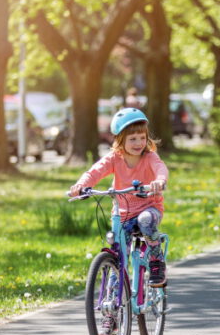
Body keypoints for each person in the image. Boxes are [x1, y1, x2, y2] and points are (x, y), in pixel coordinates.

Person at [69, 108, 169, 290]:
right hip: (122, 213)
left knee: (145, 221)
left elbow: (161, 168)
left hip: (149, 207)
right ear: (120, 140)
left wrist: (159, 181)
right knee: (118, 255)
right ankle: (112, 308)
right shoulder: (114, 158)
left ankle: (156, 261)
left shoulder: (149, 157)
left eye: (142, 137)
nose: (138, 143)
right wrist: (80, 185)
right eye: (132, 139)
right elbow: (95, 171)